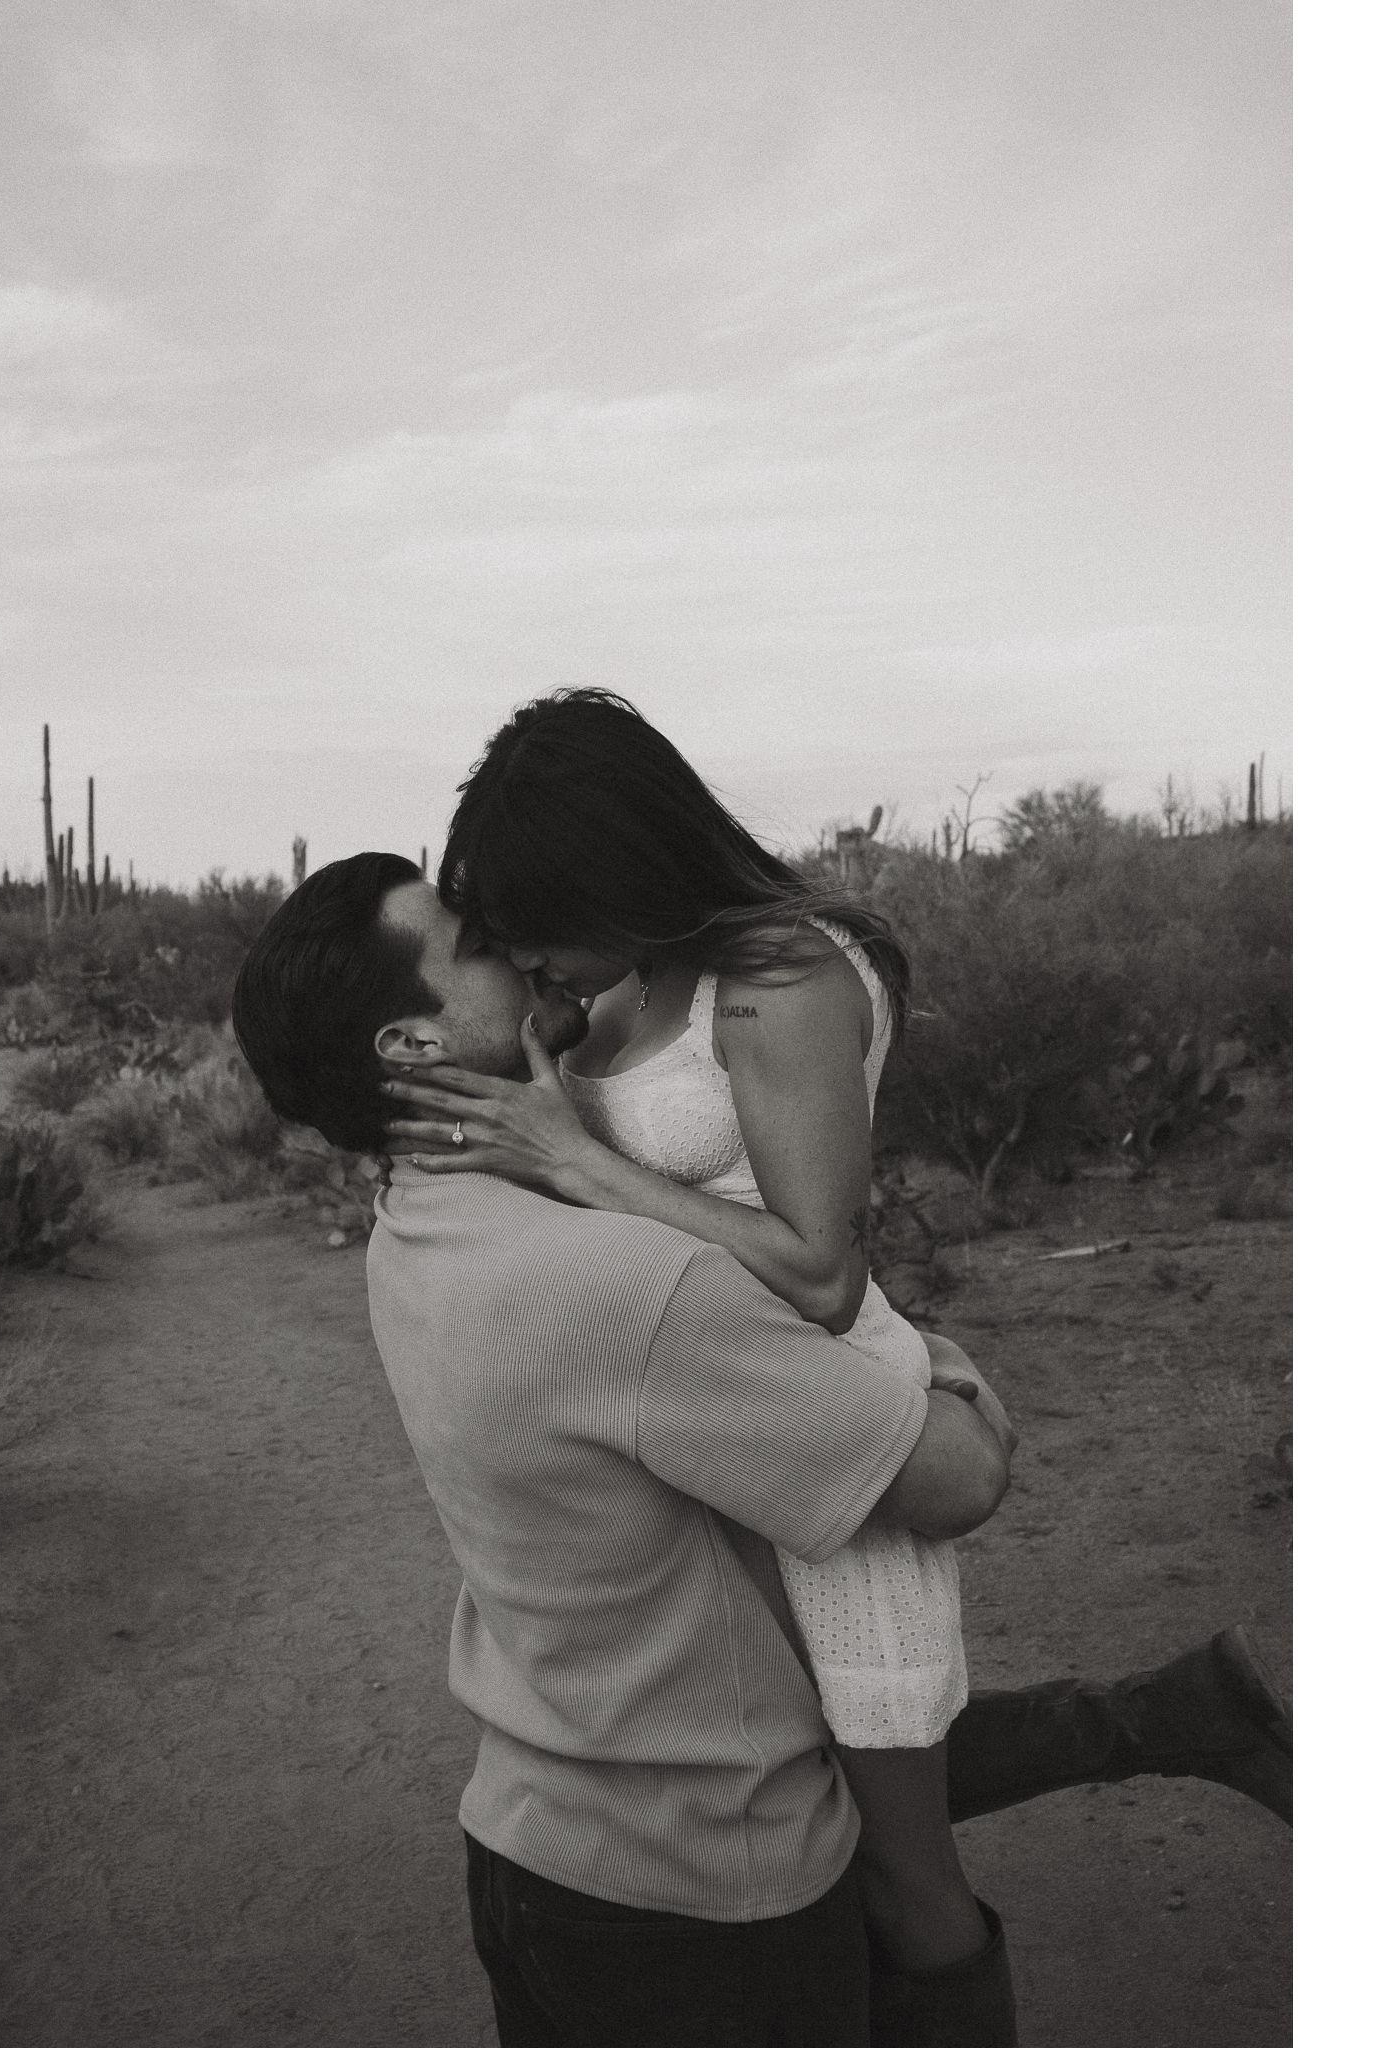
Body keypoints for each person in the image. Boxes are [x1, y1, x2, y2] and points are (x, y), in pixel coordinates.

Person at [231, 853, 1291, 2048]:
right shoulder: (620, 1284)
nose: (513, 938)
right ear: (412, 1045)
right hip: (702, 1909)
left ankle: (1174, 1713)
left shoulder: (411, 1228)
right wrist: (939, 1365)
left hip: (528, 1849)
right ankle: (1171, 1717)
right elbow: (957, 1476)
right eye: (473, 944)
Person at [378, 690, 981, 1978]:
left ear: (619, 876)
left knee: (907, 1882)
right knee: (812, 1823)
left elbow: (820, 1273)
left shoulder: (779, 981)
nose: (526, 957)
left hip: (822, 1425)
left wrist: (576, 1163)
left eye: (540, 927)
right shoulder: (623, 985)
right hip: (705, 1441)